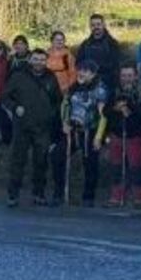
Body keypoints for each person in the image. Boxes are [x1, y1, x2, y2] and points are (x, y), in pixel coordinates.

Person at [3, 50, 62, 207]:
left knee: (41, 162)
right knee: (18, 161)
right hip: (22, 126)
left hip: (43, 127)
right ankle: (13, 194)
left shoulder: (51, 77)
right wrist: (15, 108)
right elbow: (5, 96)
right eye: (36, 59)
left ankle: (39, 193)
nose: (39, 62)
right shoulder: (18, 75)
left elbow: (58, 100)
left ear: (46, 61)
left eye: (42, 60)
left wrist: (50, 114)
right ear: (30, 60)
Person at [52, 60, 108, 207]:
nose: (81, 73)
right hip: (72, 130)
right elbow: (65, 105)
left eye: (86, 71)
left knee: (90, 164)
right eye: (80, 70)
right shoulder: (74, 87)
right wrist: (64, 122)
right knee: (57, 155)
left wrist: (98, 137)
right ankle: (58, 192)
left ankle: (88, 197)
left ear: (94, 74)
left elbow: (103, 115)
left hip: (90, 131)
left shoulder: (100, 89)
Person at [106, 66, 141, 208]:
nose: (126, 78)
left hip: (135, 134)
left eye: (129, 75)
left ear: (136, 76)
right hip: (117, 133)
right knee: (116, 167)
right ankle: (117, 195)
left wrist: (129, 107)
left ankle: (139, 197)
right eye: (124, 75)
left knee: (136, 167)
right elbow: (106, 111)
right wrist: (115, 109)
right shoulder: (114, 92)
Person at [78, 14, 124, 93]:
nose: (96, 27)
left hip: (108, 84)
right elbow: (79, 63)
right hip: (89, 84)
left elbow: (116, 65)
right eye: (93, 25)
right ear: (90, 27)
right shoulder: (85, 44)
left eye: (98, 24)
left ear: (103, 25)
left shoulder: (112, 44)